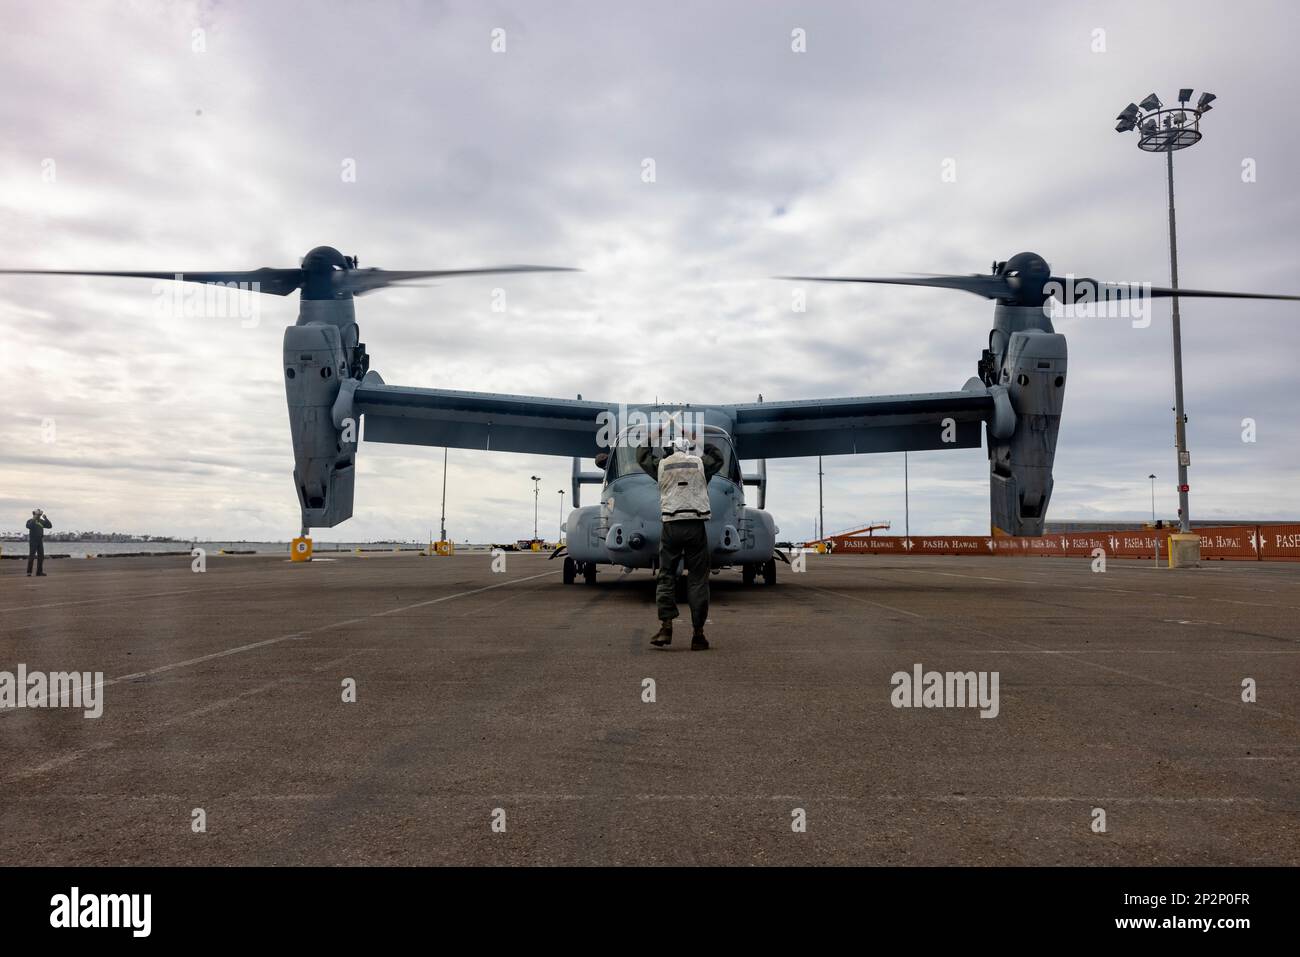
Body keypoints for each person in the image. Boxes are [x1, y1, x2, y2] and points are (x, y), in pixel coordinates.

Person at [637, 434, 723, 650]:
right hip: (695, 525)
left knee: (666, 575)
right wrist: (700, 441)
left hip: (671, 525)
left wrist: (649, 438)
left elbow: (642, 456)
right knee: (698, 579)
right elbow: (718, 458)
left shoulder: (662, 466)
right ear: (688, 449)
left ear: (669, 449)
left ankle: (666, 627)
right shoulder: (700, 465)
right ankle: (698, 635)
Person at [26, 508, 52, 577]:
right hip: (33, 541)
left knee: (41, 557)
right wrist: (34, 518)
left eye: (39, 514)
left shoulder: (41, 521)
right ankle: (29, 572)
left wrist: (46, 518)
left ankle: (39, 572)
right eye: (37, 514)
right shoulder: (30, 520)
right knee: (31, 556)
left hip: (40, 541)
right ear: (34, 514)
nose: (39, 515)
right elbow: (28, 526)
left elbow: (49, 526)